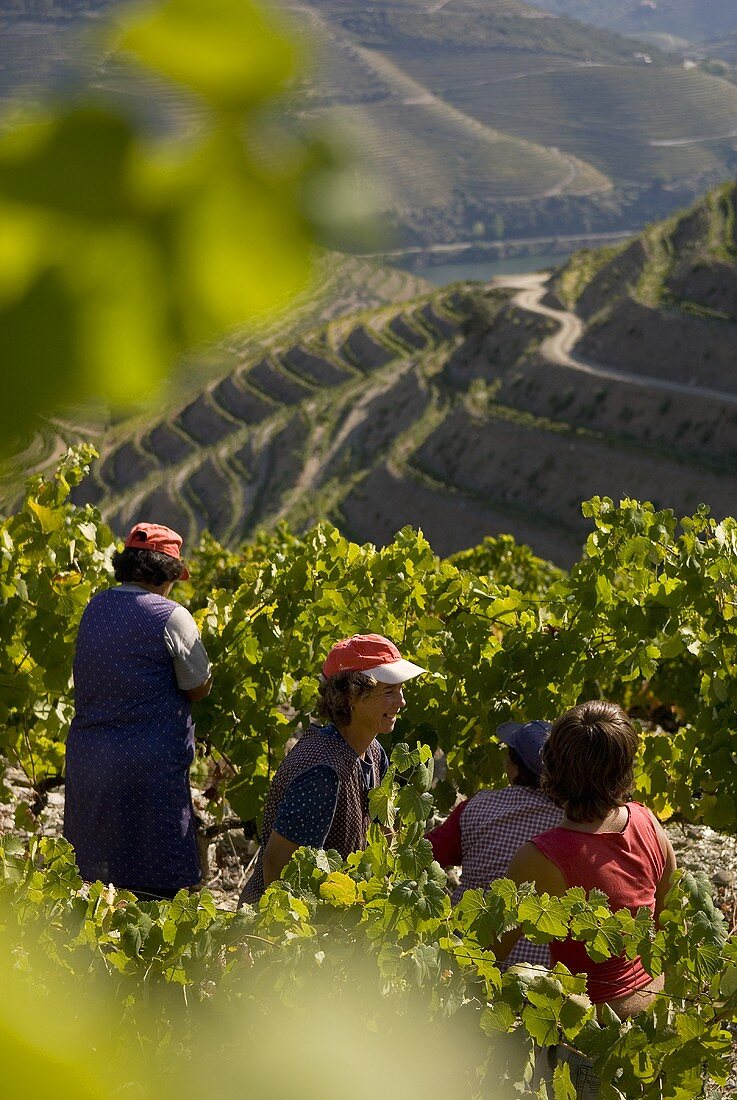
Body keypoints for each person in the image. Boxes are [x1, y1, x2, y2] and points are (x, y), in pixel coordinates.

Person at [496, 701, 677, 1096]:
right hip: (655, 1022)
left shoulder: (541, 856)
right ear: (625, 768)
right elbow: (670, 926)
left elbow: (490, 950)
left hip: (592, 1040)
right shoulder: (648, 823)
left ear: (553, 768)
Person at [63, 522, 212, 901]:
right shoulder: (172, 616)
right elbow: (198, 687)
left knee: (96, 880)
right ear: (168, 574)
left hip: (90, 759)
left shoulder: (96, 606)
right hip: (148, 767)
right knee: (157, 886)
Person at [240, 633, 426, 906]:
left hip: (339, 914)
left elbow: (383, 836)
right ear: (352, 695)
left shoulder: (374, 752)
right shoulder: (322, 773)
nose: (401, 701)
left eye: (400, 690)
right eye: (389, 691)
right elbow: (277, 868)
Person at [425, 720, 562, 968]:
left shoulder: (477, 807)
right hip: (541, 973)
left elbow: (426, 855)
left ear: (513, 767)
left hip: (466, 960)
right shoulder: (572, 822)